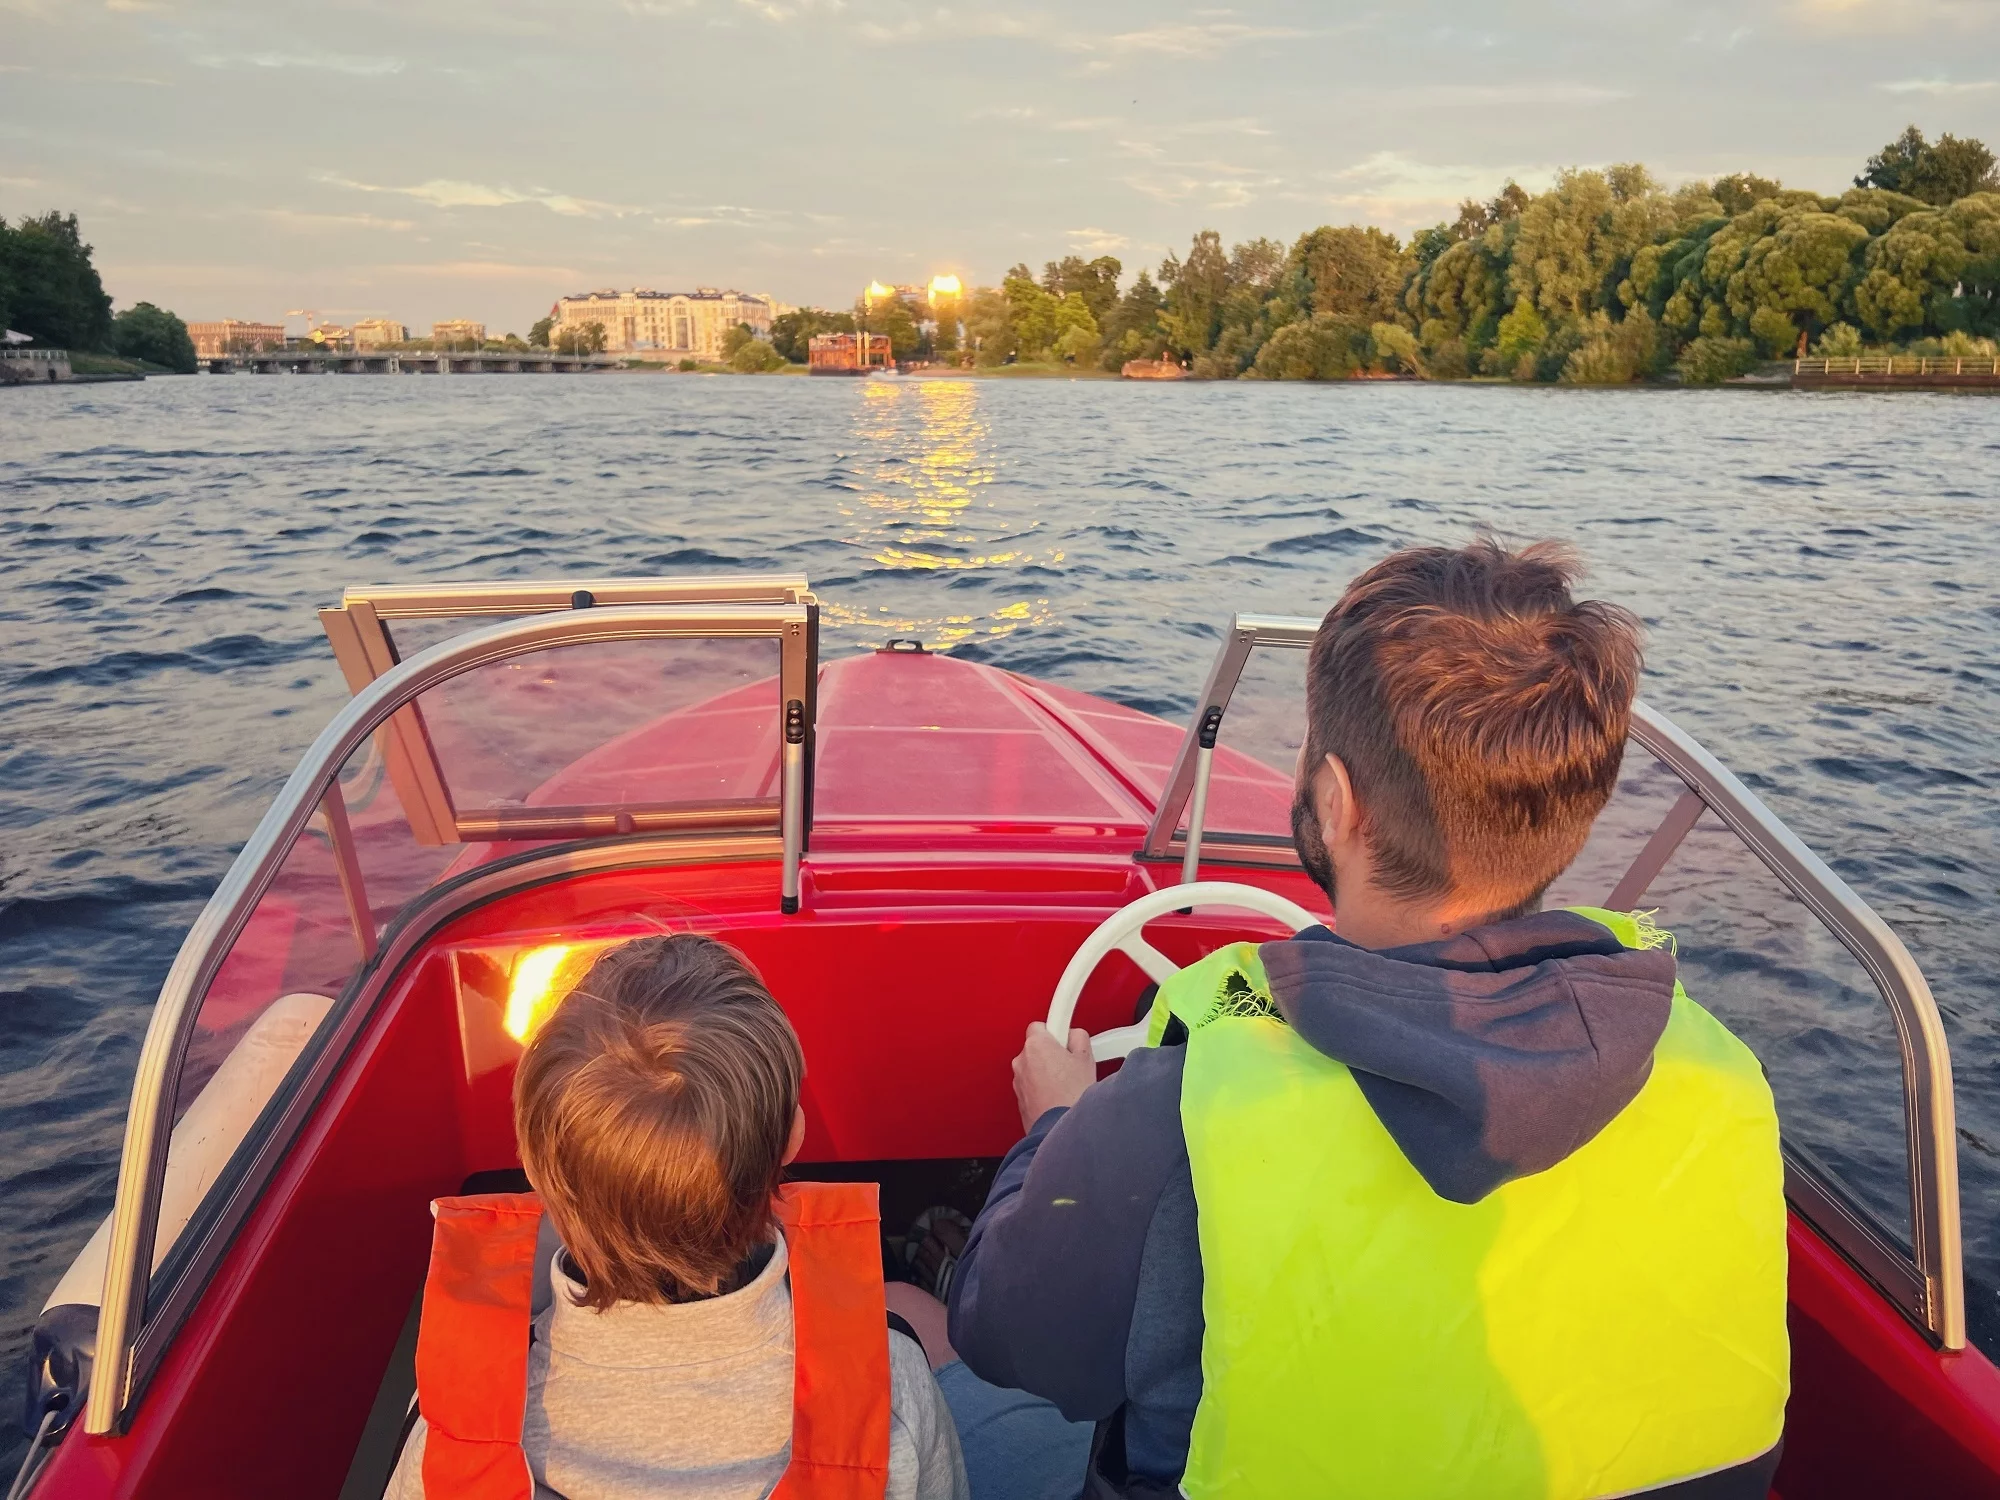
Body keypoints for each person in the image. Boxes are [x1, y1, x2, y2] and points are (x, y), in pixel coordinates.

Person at [946, 539, 1790, 1499]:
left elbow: (1009, 1340)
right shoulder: (1720, 1077)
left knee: (919, 1337)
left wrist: (1055, 1132)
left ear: (1336, 801)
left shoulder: (1181, 1120)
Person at [387, 933, 970, 1500]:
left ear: (535, 1172)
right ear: (793, 1135)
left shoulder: (454, 1438)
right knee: (910, 1306)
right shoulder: (887, 1387)